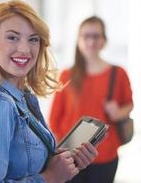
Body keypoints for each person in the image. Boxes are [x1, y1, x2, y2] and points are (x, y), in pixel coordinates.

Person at [0, 0, 99, 183]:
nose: (24, 49)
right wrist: (49, 177)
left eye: (33, 39)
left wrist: (63, 163)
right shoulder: (0, 104)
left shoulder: (23, 96)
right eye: (12, 37)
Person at [49, 16, 134, 183]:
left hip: (105, 155)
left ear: (104, 40)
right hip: (71, 156)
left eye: (96, 36)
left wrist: (118, 112)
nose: (90, 41)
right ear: (79, 41)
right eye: (85, 36)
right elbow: (54, 118)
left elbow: (129, 104)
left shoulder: (118, 74)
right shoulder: (67, 75)